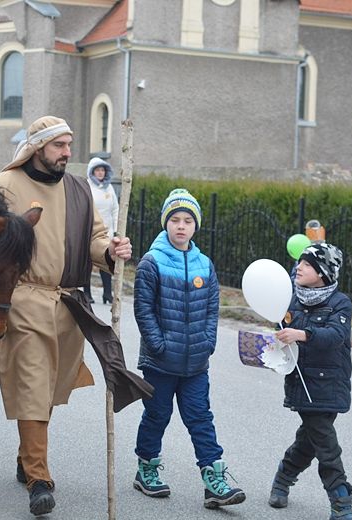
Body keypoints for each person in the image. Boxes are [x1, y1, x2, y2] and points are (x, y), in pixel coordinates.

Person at [0, 116, 145, 517]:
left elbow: (94, 238)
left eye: (70, 145)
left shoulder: (78, 189)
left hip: (68, 303)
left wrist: (111, 252)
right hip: (24, 299)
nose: (67, 153)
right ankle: (40, 478)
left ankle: (27, 455)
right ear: (38, 147)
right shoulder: (5, 186)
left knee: (51, 388)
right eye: (59, 145)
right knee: (33, 384)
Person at [132, 188, 245, 509]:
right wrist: (157, 345)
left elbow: (212, 308)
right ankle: (147, 469)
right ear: (166, 223)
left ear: (195, 226)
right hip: (160, 361)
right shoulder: (151, 262)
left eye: (187, 221)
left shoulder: (204, 264)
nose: (181, 226)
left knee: (200, 418)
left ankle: (214, 479)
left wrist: (208, 342)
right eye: (175, 220)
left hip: (196, 362)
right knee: (157, 415)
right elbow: (144, 310)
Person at [270, 242, 352, 520]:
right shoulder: (291, 300)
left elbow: (335, 336)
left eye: (307, 264)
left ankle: (283, 477)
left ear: (322, 272)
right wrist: (274, 345)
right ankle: (341, 501)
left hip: (329, 383)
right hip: (301, 382)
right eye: (300, 263)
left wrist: (301, 334)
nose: (299, 267)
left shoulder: (339, 303)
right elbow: (281, 331)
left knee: (310, 441)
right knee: (325, 444)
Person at [84, 157, 118, 304]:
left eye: (102, 170)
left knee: (107, 260)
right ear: (92, 172)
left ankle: (107, 293)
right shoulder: (87, 187)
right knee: (87, 263)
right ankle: (87, 293)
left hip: (107, 231)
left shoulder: (109, 188)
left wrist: (116, 230)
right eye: (97, 170)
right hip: (90, 231)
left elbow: (115, 209)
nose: (100, 173)